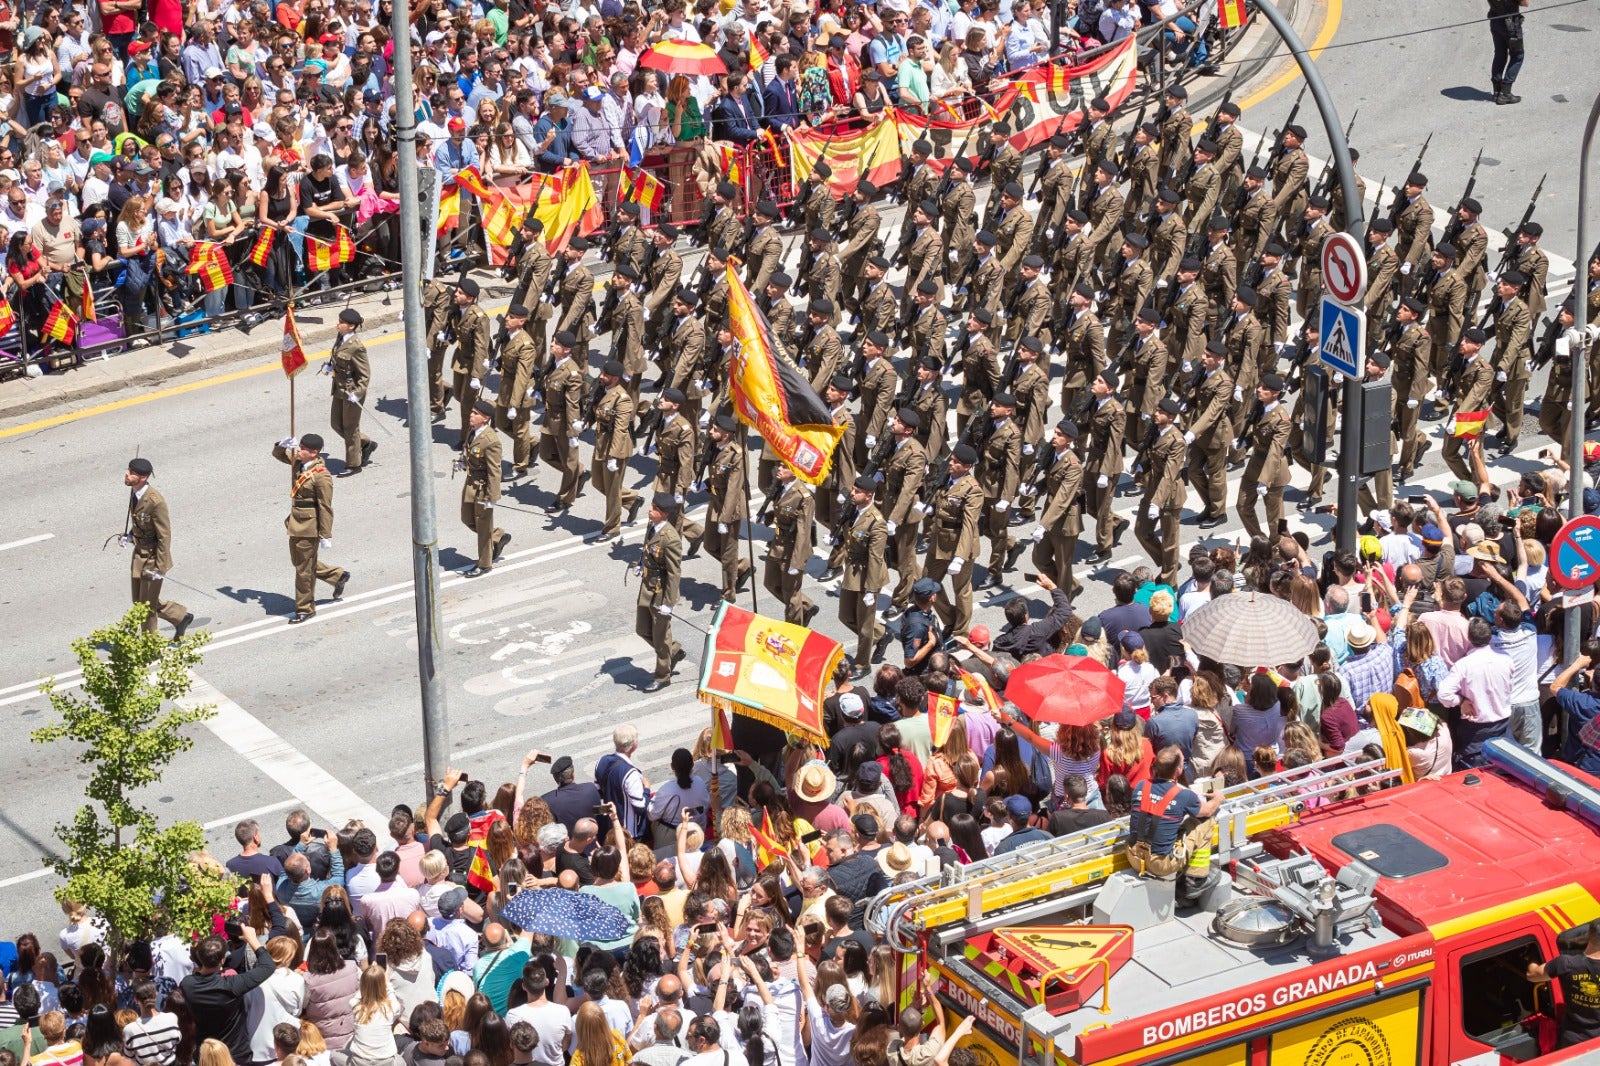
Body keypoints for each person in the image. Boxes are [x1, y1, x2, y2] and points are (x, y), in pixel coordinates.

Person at [272, 434, 348, 624]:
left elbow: (325, 506)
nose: (298, 450)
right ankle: (337, 575)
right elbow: (279, 455)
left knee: (303, 570)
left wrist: (325, 534)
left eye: (302, 448)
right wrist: (282, 445)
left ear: (313, 452)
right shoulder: (299, 463)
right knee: (299, 562)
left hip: (309, 526)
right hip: (295, 522)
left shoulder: (322, 476)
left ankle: (305, 608)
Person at [1126, 746, 1225, 893]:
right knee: (1206, 822)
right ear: (1178, 770)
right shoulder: (1183, 795)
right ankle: (1195, 880)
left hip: (1134, 857)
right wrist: (1218, 798)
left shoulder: (1141, 786)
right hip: (1160, 865)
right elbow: (1208, 810)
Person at [180, 929, 276, 1065]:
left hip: (205, 1054)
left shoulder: (187, 984)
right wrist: (252, 940)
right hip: (235, 1055)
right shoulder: (232, 985)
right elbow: (268, 966)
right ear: (223, 959)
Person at [121, 456, 193, 639]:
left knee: (146, 607)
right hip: (139, 556)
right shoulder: (135, 493)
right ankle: (180, 616)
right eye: (128, 471)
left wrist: (159, 568)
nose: (127, 475)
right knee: (139, 602)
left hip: (153, 559)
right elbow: (140, 523)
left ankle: (150, 646)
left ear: (143, 478)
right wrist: (129, 535)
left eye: (131, 473)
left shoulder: (155, 502)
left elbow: (164, 535)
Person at [1527, 919, 1600, 1048]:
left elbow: (1532, 976)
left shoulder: (1565, 963)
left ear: (1589, 935)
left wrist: (1532, 958)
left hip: (1575, 1040)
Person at [459, 401, 510, 577]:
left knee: (482, 527)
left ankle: (484, 564)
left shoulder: (491, 441)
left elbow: (495, 471)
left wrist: (492, 497)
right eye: (471, 412)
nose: (470, 415)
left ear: (486, 418)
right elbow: (471, 454)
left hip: (483, 489)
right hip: (470, 484)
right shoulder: (472, 431)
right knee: (467, 519)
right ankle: (497, 536)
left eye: (475, 413)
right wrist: (463, 463)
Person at [327, 309, 375, 476]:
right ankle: (365, 443)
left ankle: (353, 464)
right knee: (336, 424)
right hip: (339, 388)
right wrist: (330, 366)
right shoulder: (341, 337)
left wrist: (358, 393)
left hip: (351, 391)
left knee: (350, 428)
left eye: (341, 322)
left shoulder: (357, 347)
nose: (337, 324)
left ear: (351, 326)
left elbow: (364, 374)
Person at [1488, 0, 1528, 104]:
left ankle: (1497, 91)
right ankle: (1505, 93)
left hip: (1495, 20)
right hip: (1510, 24)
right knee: (1518, 56)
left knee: (1500, 54)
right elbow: (1525, 3)